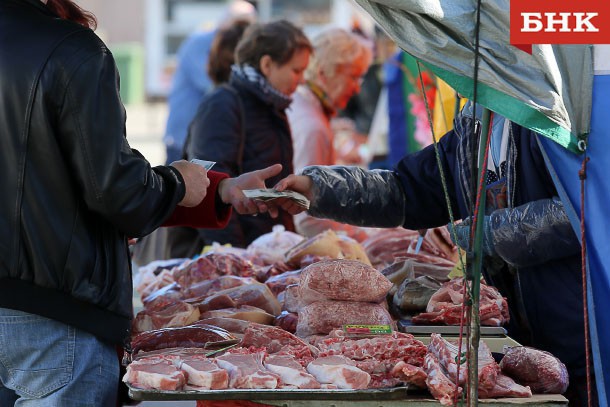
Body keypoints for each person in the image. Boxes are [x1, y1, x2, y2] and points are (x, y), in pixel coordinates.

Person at [0, 1, 285, 405]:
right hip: (53, 314)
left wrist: (215, 190)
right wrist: (179, 181)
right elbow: (115, 191)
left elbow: (54, 181)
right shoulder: (73, 50)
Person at [275, 102, 595, 406]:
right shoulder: (474, 125)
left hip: (582, 330)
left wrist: (481, 233)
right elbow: (407, 190)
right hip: (517, 338)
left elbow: (586, 210)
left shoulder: (564, 116)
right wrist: (319, 189)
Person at [185, 20, 313, 248]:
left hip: (264, 255)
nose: (302, 80)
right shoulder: (223, 104)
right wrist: (236, 261)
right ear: (267, 65)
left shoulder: (273, 106)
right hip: (238, 259)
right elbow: (207, 189)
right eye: (296, 70)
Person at [287, 27, 372, 241]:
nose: (357, 89)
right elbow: (307, 217)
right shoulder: (313, 125)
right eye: (354, 77)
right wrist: (365, 237)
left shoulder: (303, 104)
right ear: (325, 73)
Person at [163, 0, 257, 164]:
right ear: (225, 24)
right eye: (239, 27)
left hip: (204, 135)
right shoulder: (201, 43)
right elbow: (213, 82)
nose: (242, 35)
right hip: (183, 137)